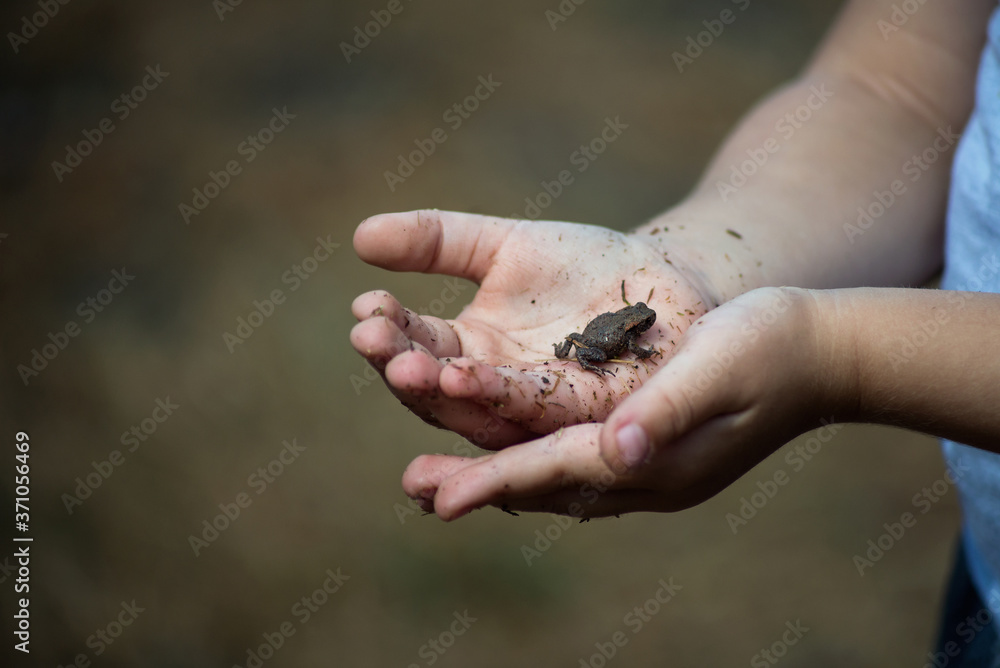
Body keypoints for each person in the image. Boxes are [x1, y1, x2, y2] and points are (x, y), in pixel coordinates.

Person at [351, 0, 1000, 663]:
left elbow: (638, 329)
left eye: (645, 321)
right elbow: (898, 92)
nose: (649, 326)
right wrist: (698, 264)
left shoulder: (637, 329)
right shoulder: (625, 334)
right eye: (644, 320)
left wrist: (837, 355)